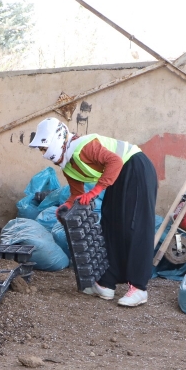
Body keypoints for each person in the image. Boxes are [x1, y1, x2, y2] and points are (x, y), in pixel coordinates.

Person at [29, 117, 157, 307]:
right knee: (110, 223)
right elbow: (76, 194)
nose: (43, 153)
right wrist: (65, 207)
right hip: (117, 176)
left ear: (57, 140)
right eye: (41, 149)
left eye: (44, 148)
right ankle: (107, 283)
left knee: (135, 225)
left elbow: (115, 161)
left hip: (135, 167)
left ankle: (139, 288)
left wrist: (95, 191)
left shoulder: (84, 147)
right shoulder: (67, 165)